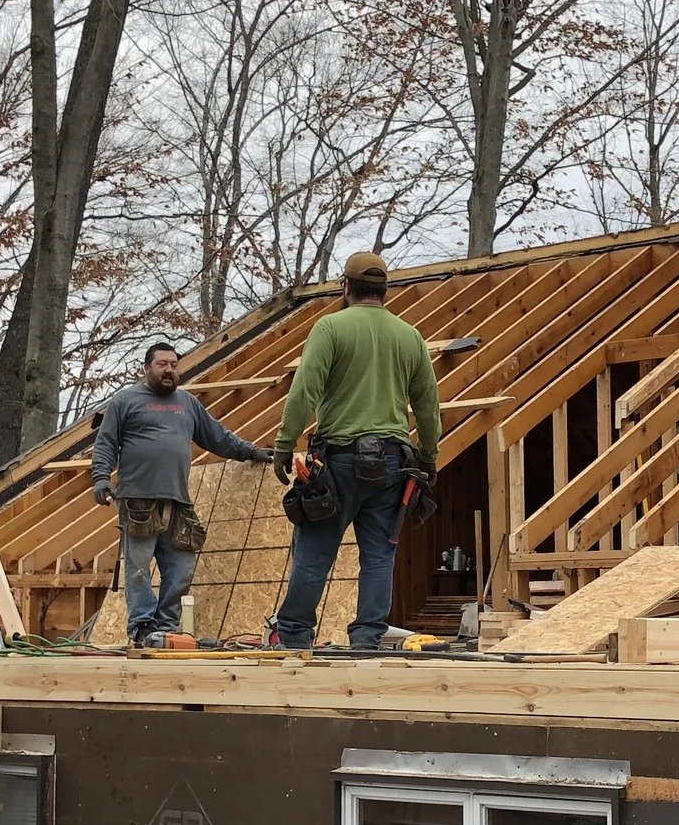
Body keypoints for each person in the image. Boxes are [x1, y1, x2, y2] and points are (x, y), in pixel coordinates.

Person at [270, 251, 440, 650]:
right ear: (385, 291)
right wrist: (429, 456)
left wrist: (283, 445)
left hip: (340, 461)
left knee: (314, 554)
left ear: (345, 288)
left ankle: (293, 637)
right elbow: (428, 405)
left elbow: (304, 391)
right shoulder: (409, 336)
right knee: (379, 557)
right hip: (393, 464)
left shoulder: (330, 328)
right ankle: (366, 640)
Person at [91, 341, 269, 646]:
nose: (169, 370)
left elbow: (218, 437)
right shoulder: (126, 401)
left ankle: (166, 628)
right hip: (138, 500)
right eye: (162, 364)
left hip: (178, 500)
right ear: (146, 368)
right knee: (138, 570)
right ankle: (142, 628)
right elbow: (106, 443)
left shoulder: (187, 404)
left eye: (174, 364)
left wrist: (251, 452)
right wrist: (101, 479)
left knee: (181, 567)